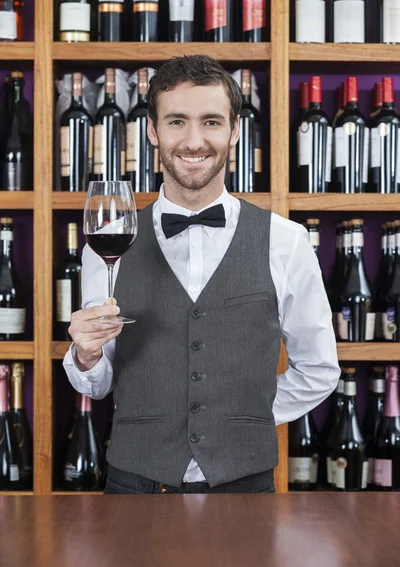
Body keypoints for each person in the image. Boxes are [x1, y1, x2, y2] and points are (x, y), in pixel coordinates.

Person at [63, 55, 340, 495]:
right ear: (153, 131)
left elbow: (320, 370)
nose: (194, 141)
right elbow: (96, 384)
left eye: (211, 121)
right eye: (177, 121)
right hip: (134, 488)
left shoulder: (285, 241)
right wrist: (84, 355)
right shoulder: (105, 246)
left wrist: (243, 420)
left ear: (234, 130)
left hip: (245, 489)